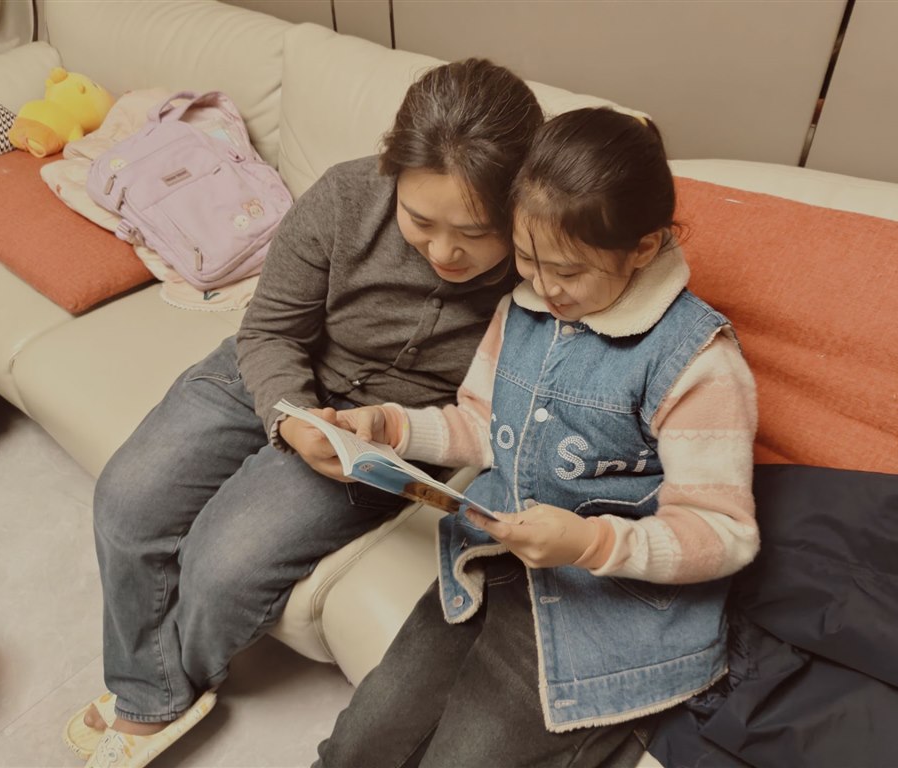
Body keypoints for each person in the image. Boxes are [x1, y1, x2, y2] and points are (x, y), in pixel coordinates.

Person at [65, 58, 544, 767]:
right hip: (278, 363)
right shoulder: (346, 196)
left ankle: (152, 691)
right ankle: (153, 693)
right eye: (420, 221)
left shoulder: (546, 260)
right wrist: (290, 415)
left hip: (389, 427)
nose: (446, 251)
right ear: (392, 173)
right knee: (127, 497)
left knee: (225, 564)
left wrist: (379, 431)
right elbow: (269, 332)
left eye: (476, 231)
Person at [314, 108, 761, 768]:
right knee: (357, 745)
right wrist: (390, 426)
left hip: (610, 607)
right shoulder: (522, 307)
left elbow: (725, 533)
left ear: (643, 248)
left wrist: (591, 542)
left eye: (569, 271)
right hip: (493, 561)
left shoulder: (696, 360)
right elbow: (483, 427)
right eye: (528, 259)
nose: (546, 288)